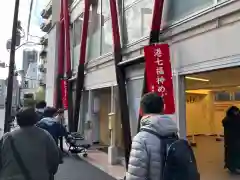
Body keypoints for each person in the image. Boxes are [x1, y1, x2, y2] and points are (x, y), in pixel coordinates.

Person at [126, 92, 178, 180]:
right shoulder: (174, 134)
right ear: (163, 109)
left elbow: (136, 176)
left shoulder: (141, 139)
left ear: (141, 111)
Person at [0, 107, 59, 180]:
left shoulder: (7, 138)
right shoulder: (46, 136)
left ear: (18, 120)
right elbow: (54, 160)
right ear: (35, 119)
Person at [222, 106, 240, 173]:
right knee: (236, 154)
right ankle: (235, 167)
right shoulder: (235, 119)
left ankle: (230, 166)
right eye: (237, 111)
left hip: (229, 140)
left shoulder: (227, 119)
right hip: (236, 140)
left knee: (230, 153)